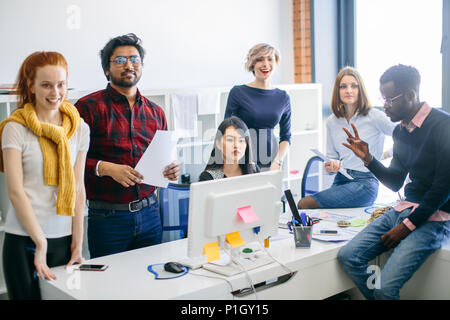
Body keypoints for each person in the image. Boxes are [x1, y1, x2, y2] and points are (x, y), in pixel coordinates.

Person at [338, 64, 450, 300]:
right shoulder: (400, 132)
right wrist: (368, 159)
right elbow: (395, 182)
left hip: (436, 217)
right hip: (405, 208)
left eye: (390, 100)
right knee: (348, 256)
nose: (384, 106)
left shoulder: (444, 126)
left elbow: (443, 189)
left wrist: (406, 226)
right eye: (383, 99)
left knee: (386, 288)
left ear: (410, 95)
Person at [75, 33, 180, 259]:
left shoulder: (156, 112)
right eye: (120, 61)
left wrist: (172, 169)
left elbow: (164, 158)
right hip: (107, 218)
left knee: (150, 283)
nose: (128, 65)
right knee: (110, 287)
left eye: (134, 60)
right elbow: (68, 159)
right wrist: (106, 167)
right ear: (106, 69)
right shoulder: (87, 108)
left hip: (151, 213)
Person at [0, 51, 89, 299]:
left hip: (65, 238)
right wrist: (40, 242)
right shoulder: (15, 128)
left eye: (61, 85)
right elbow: (15, 191)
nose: (55, 93)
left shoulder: (80, 128)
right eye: (46, 85)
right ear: (31, 85)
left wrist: (77, 244)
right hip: (23, 240)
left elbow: (79, 189)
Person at [298, 67, 395, 209]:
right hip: (341, 178)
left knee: (304, 204)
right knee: (322, 217)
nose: (348, 90)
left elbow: (404, 137)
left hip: (365, 182)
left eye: (354, 86)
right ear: (337, 91)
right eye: (343, 86)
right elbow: (331, 159)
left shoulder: (374, 116)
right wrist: (331, 166)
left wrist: (384, 155)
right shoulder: (332, 121)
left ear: (360, 89)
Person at [224, 43, 291, 171]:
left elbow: (286, 136)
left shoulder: (283, 97)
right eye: (260, 59)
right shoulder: (238, 92)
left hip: (272, 161)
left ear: (276, 62)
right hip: (242, 161)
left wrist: (278, 161)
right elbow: (226, 131)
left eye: (270, 59)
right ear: (252, 64)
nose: (266, 64)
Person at [199, 116, 259, 181]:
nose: (236, 145)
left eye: (241, 140)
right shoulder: (209, 177)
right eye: (230, 140)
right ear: (218, 144)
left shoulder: (253, 169)